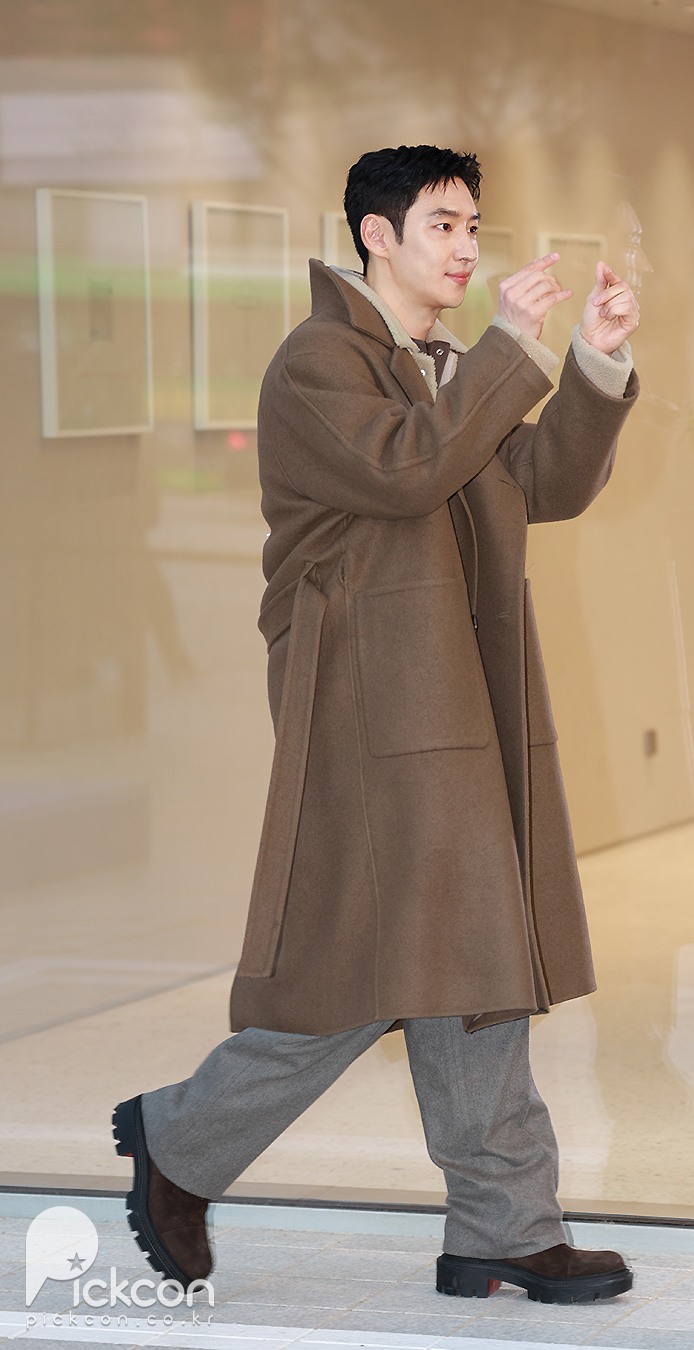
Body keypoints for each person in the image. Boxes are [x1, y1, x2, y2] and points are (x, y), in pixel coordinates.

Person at [112, 143, 640, 1306]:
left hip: (448, 691)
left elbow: (541, 483)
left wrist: (594, 360)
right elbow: (408, 471)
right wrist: (511, 349)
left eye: (473, 226)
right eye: (443, 224)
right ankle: (182, 1141)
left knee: (471, 948)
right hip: (363, 700)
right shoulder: (319, 362)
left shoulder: (442, 365)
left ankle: (504, 1224)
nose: (465, 247)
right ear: (375, 235)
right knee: (370, 964)